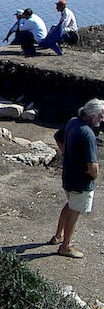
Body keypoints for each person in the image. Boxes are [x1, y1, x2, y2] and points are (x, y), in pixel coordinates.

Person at [50, 99, 104, 258]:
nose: (102, 119)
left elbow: (58, 137)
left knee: (70, 205)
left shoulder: (73, 122)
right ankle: (65, 246)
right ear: (91, 114)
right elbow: (92, 165)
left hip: (68, 175)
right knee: (75, 211)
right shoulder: (88, 134)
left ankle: (58, 236)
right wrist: (94, 175)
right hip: (81, 181)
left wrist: (68, 154)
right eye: (100, 116)